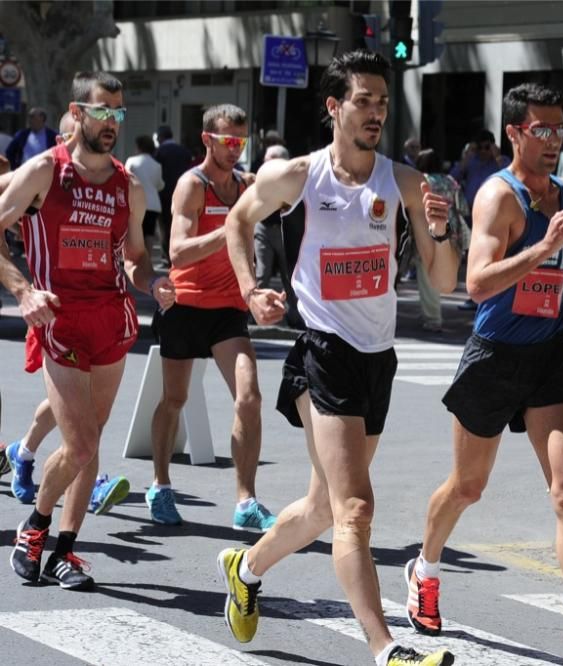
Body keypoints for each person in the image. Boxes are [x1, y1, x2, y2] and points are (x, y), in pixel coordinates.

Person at [220, 49, 459, 666]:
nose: (376, 112)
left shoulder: (405, 182)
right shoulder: (298, 177)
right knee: (356, 509)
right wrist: (252, 289)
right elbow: (238, 223)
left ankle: (245, 569)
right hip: (321, 352)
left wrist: (439, 230)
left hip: (378, 358)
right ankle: (386, 647)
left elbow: (447, 281)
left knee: (324, 507)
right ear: (334, 107)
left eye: (382, 101)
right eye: (364, 100)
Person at [406, 82, 563, 666]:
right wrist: (543, 247)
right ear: (514, 133)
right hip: (494, 356)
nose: (553, 141)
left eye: (559, 129)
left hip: (547, 355)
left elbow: (552, 275)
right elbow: (476, 284)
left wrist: (555, 294)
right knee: (468, 487)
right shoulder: (497, 199)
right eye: (541, 130)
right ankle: (425, 568)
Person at [0, 71, 175, 590]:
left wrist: (154, 283)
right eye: (103, 111)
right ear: (77, 112)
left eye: (120, 113)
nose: (112, 123)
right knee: (78, 445)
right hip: (58, 319)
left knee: (92, 440)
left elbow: (136, 261)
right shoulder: (43, 172)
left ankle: (65, 550)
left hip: (113, 320)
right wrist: (23, 291)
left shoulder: (129, 187)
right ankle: (35, 525)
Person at [0, 109, 132, 514]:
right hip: (52, 310)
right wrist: (23, 289)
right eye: (69, 136)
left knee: (79, 408)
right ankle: (42, 461)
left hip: (98, 311)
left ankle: (25, 452)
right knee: (76, 410)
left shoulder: (113, 180)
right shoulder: (41, 171)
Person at [147, 104, 272, 531]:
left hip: (228, 311)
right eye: (227, 141)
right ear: (207, 140)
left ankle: (246, 500)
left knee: (249, 397)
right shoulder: (191, 185)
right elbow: (177, 251)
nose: (235, 150)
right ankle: (160, 485)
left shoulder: (246, 185)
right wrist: (230, 227)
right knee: (174, 400)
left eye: (241, 142)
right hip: (184, 306)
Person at [451, 129, 510, 310]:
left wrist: (497, 156)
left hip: (496, 216)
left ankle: (492, 297)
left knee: (494, 256)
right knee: (474, 257)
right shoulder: (471, 162)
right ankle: (475, 296)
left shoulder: (502, 161)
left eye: (486, 147)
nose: (483, 152)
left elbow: (512, 176)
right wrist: (466, 158)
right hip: (472, 215)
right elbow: (452, 178)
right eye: (479, 148)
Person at [414, 147, 470, 332]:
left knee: (426, 274)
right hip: (452, 231)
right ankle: (433, 311)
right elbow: (463, 206)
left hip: (427, 231)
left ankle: (433, 317)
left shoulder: (420, 181)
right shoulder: (450, 181)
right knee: (447, 271)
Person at [253, 143, 301, 328]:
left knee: (289, 277)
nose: (264, 166)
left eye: (268, 162)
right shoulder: (261, 179)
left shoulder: (294, 181)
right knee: (261, 274)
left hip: (284, 231)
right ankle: (255, 313)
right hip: (263, 228)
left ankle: (295, 317)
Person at [154, 125, 193, 268]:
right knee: (183, 223)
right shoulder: (184, 151)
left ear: (160, 137)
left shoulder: (159, 152)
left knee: (165, 226)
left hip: (164, 193)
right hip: (184, 191)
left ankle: (167, 257)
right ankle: (182, 254)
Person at [126, 134, 165, 260]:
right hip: (153, 203)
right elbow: (159, 185)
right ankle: (147, 259)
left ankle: (132, 258)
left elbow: (125, 180)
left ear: (138, 147)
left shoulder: (131, 161)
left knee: (134, 231)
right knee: (149, 232)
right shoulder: (157, 165)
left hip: (135, 202)